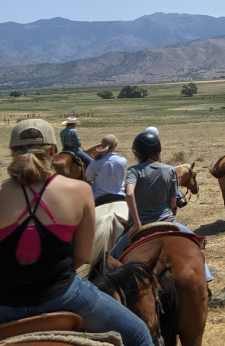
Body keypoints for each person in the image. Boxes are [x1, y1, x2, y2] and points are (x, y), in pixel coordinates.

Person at [0, 119, 151, 346]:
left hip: (5, 303)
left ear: (12, 153)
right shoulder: (80, 190)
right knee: (140, 335)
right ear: (53, 151)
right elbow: (82, 255)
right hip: (65, 296)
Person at [109, 131, 213, 282]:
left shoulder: (133, 171)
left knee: (110, 258)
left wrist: (137, 223)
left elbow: (130, 194)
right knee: (197, 243)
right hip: (167, 222)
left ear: (136, 153)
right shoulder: (169, 170)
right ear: (158, 151)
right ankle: (207, 277)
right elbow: (173, 201)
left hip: (142, 226)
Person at [84, 134, 127, 206]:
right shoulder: (123, 161)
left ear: (101, 145)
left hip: (99, 197)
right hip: (119, 195)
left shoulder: (96, 161)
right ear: (115, 145)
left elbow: (88, 177)